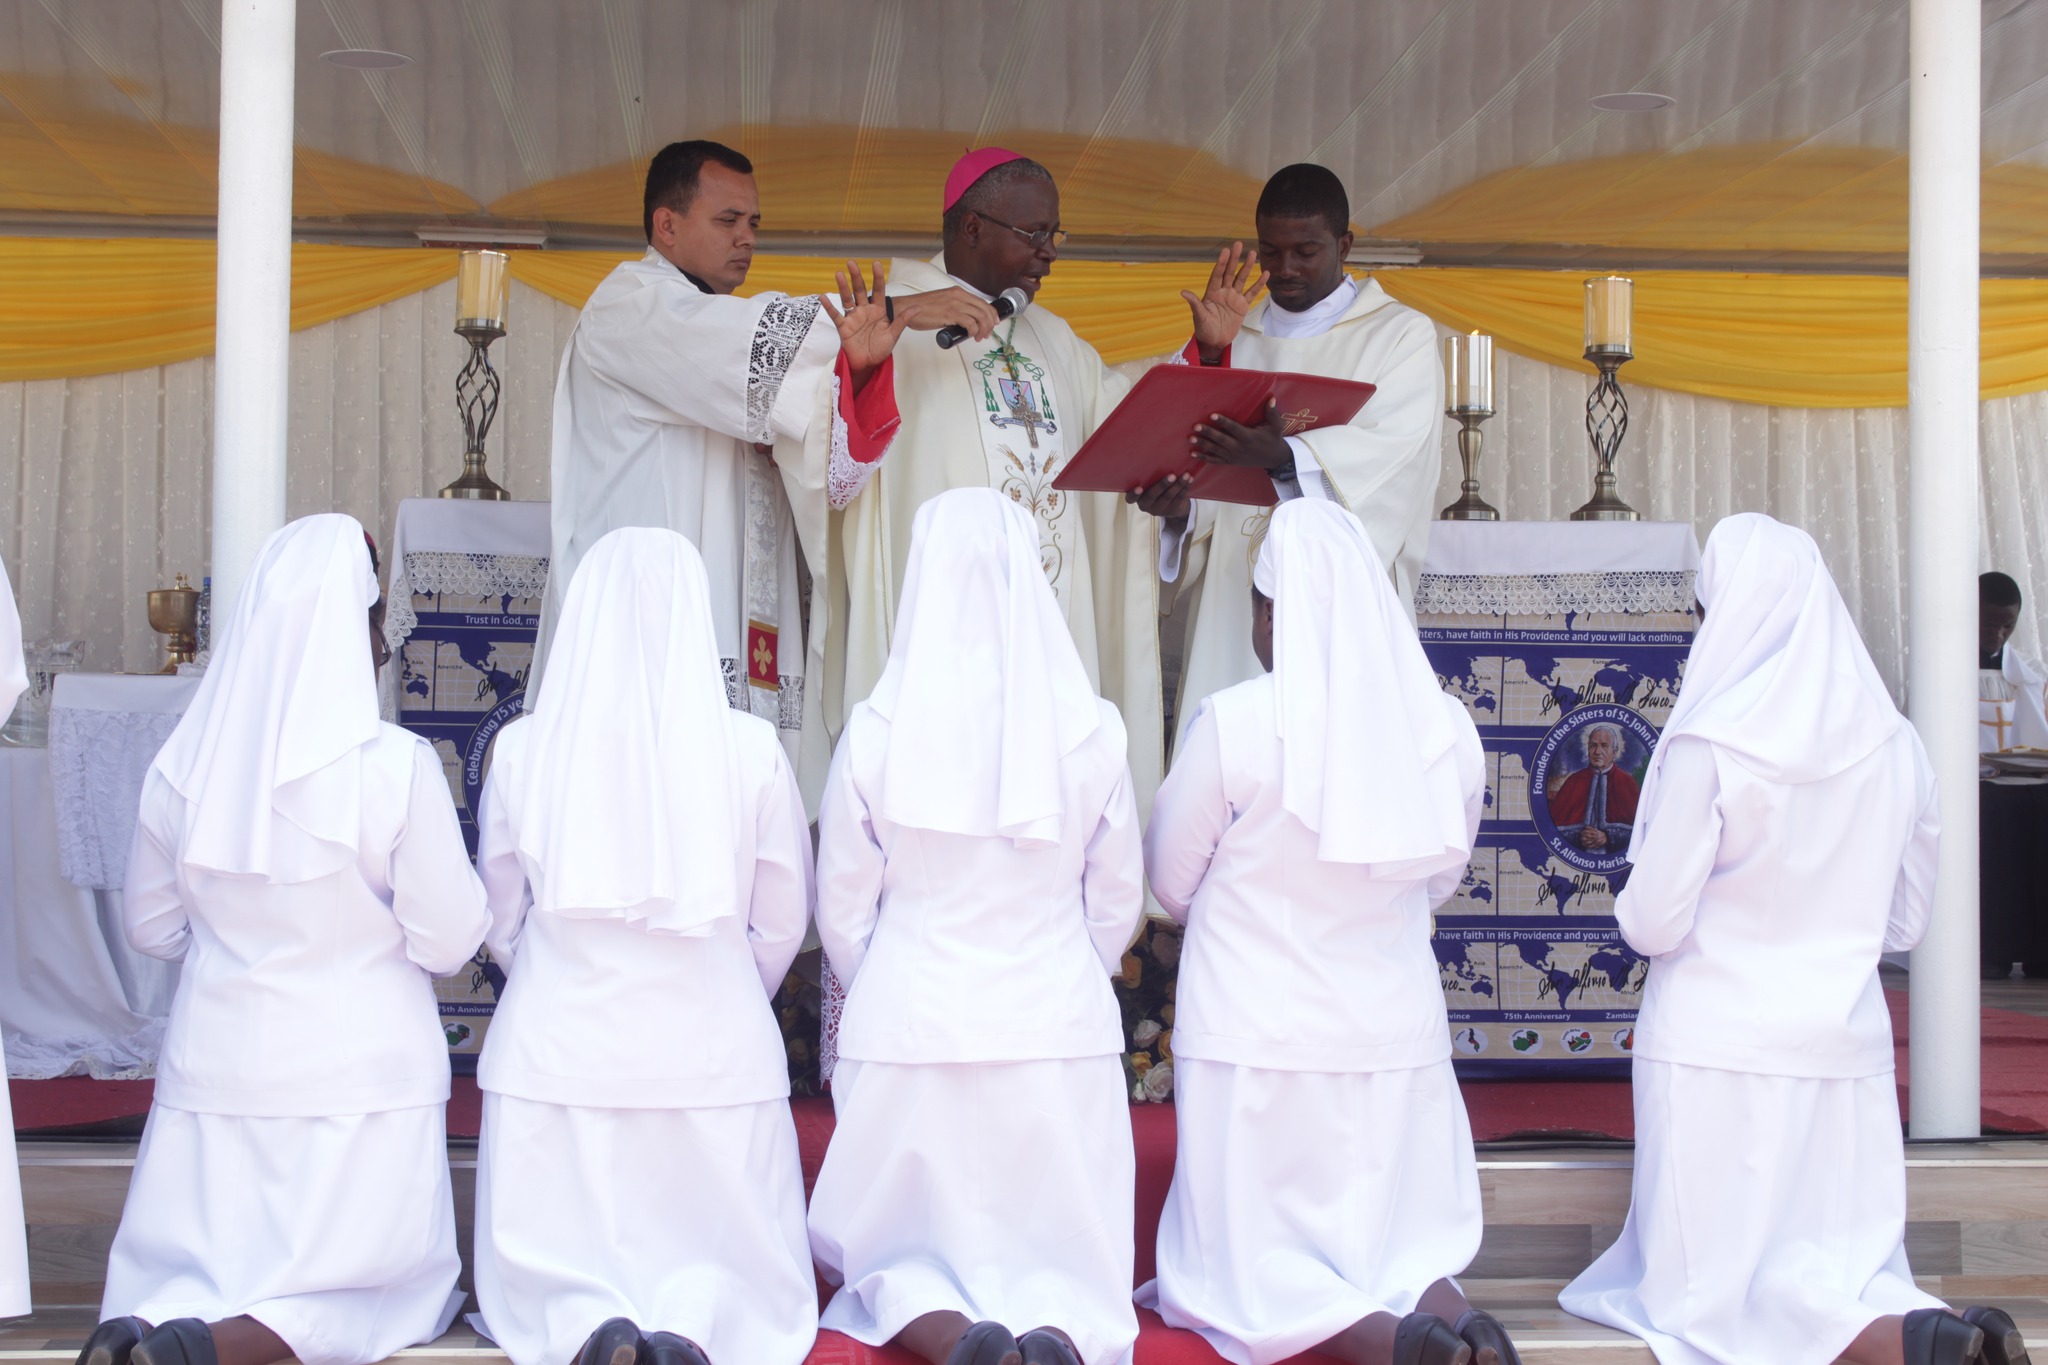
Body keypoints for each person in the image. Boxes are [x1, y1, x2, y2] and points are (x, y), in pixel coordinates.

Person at [1558, 514, 2021, 1365]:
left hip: (1713, 1050)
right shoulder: (1899, 744)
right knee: (1829, 1266)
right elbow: (1907, 923)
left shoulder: (1711, 742)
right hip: (1842, 1049)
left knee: (1712, 1302)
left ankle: (1908, 1346)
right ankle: (1922, 1331)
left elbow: (1654, 921)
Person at [82, 515, 490, 1365]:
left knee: (199, 1270)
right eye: (378, 622)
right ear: (352, 628)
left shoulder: (182, 766)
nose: (385, 647)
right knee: (371, 1298)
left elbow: (151, 930)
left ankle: (155, 1331)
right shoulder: (396, 765)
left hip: (218, 1067)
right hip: (361, 1084)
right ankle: (217, 1348)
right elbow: (450, 939)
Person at [1139, 500, 1511, 1365]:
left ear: (1277, 608)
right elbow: (1442, 877)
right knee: (1405, 1246)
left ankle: (1396, 1345)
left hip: (1258, 1042)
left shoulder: (1236, 722)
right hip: (1393, 1034)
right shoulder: (1444, 727)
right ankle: (1458, 1319)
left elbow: (1167, 879)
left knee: (1254, 1273)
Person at [808, 489, 1146, 1365]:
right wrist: (1065, 966)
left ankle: (963, 1341)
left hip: (913, 1026)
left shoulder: (876, 733)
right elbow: (1118, 902)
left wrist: (896, 981)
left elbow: (842, 907)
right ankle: (1054, 1338)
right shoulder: (1094, 733)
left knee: (898, 1258)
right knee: (1062, 1258)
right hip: (1055, 1026)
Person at [818, 148, 1257, 813]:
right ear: (972, 228)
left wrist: (1207, 355)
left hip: (1048, 640)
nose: (1051, 252)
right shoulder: (888, 321)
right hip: (943, 639)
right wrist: (862, 370)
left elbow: (1124, 431)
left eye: (1057, 233)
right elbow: (835, 459)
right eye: (1036, 233)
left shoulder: (1057, 342)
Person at [470, 528, 816, 1365]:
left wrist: (556, 972)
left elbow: (499, 916)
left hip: (556, 1061)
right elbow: (782, 922)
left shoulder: (521, 750)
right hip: (715, 1061)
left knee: (559, 1271)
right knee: (725, 1271)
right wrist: (727, 985)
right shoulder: (752, 752)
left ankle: (595, 1326)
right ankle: (691, 1324)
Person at [538, 138, 997, 758]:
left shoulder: (723, 333)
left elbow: (820, 453)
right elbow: (751, 341)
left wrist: (858, 375)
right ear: (665, 226)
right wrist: (901, 309)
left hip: (732, 620)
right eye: (727, 220)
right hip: (646, 629)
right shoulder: (629, 305)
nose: (747, 237)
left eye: (753, 222)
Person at [1161, 163, 1444, 749]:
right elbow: (1177, 447)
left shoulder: (1398, 335)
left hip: (1340, 605)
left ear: (1344, 245)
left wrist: (1284, 456)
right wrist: (1179, 510)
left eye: (1305, 251)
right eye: (1271, 251)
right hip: (1233, 605)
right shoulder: (1232, 334)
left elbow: (1395, 458)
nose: (1284, 270)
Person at [1979, 570, 2048, 753]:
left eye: (2009, 625)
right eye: (1990, 624)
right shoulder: (1941, 677)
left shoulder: (2037, 676)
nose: (1999, 634)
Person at [1545, 723, 1639, 853]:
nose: (1597, 751)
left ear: (1614, 751)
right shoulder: (1574, 782)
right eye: (1593, 745)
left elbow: (1641, 834)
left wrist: (1608, 838)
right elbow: (1551, 831)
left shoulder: (1627, 783)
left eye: (1604, 746)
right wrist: (1580, 837)